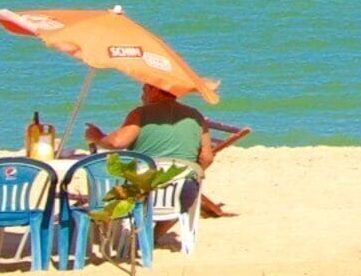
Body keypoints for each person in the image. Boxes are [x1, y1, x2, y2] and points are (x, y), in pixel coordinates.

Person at [86, 81, 251, 218]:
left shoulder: (140, 113)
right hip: (183, 192)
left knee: (108, 182)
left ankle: (137, 233)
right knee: (183, 197)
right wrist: (191, 173)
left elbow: (116, 143)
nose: (141, 96)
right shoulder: (195, 116)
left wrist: (96, 136)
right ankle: (154, 236)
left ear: (154, 90)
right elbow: (206, 158)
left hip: (142, 191)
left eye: (144, 90)